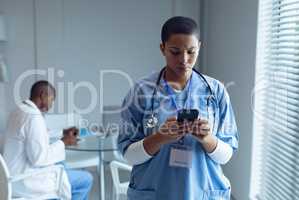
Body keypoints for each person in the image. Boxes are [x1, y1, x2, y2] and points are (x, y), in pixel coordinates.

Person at [118, 16, 238, 200]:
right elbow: (128, 155)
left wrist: (207, 139)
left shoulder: (215, 92)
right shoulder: (141, 92)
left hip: (203, 191)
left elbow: (226, 155)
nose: (184, 59)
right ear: (162, 48)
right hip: (156, 191)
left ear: (200, 46)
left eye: (191, 51)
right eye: (175, 52)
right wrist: (159, 138)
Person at [3, 80, 93, 199]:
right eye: (52, 99)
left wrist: (63, 133)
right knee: (86, 179)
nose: (52, 104)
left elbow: (34, 135)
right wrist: (64, 142)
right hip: (25, 182)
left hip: (10, 178)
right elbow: (39, 159)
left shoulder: (19, 111)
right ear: (43, 95)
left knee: (61, 164)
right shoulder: (33, 117)